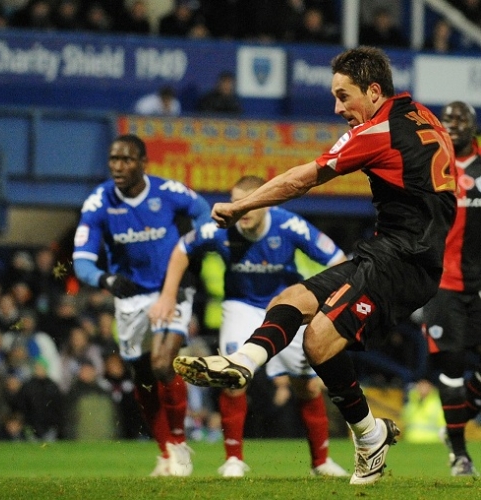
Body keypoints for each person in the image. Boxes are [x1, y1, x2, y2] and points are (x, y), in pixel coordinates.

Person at [171, 46, 457, 485]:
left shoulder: (375, 132)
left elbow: (300, 179)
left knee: (318, 341)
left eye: (344, 96)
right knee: (290, 299)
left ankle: (368, 435)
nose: (337, 108)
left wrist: (241, 205)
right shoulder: (421, 115)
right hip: (388, 251)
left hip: (405, 261)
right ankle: (244, 361)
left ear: (374, 91)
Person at [149, 175, 349, 477]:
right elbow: (182, 249)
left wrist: (330, 306)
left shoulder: (289, 225)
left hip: (286, 307)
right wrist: (167, 294)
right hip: (240, 306)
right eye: (236, 204)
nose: (241, 212)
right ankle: (233, 460)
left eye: (249, 205)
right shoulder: (221, 226)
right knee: (233, 378)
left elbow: (338, 260)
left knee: (307, 386)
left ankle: (320, 462)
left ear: (265, 203)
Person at [72, 133, 212, 476]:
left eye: (126, 159)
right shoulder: (99, 202)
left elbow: (203, 212)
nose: (118, 167)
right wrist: (105, 280)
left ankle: (180, 445)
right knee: (144, 379)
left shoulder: (168, 192)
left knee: (164, 364)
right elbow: (82, 260)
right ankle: (165, 452)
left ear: (143, 163)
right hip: (131, 297)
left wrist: (192, 250)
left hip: (172, 289)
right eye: (114, 160)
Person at [421, 101, 481, 476]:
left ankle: (456, 423)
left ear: (473, 126)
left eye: (462, 119)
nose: (454, 125)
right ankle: (460, 454)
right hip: (443, 285)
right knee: (453, 368)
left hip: (479, 285)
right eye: (448, 120)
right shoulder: (429, 166)